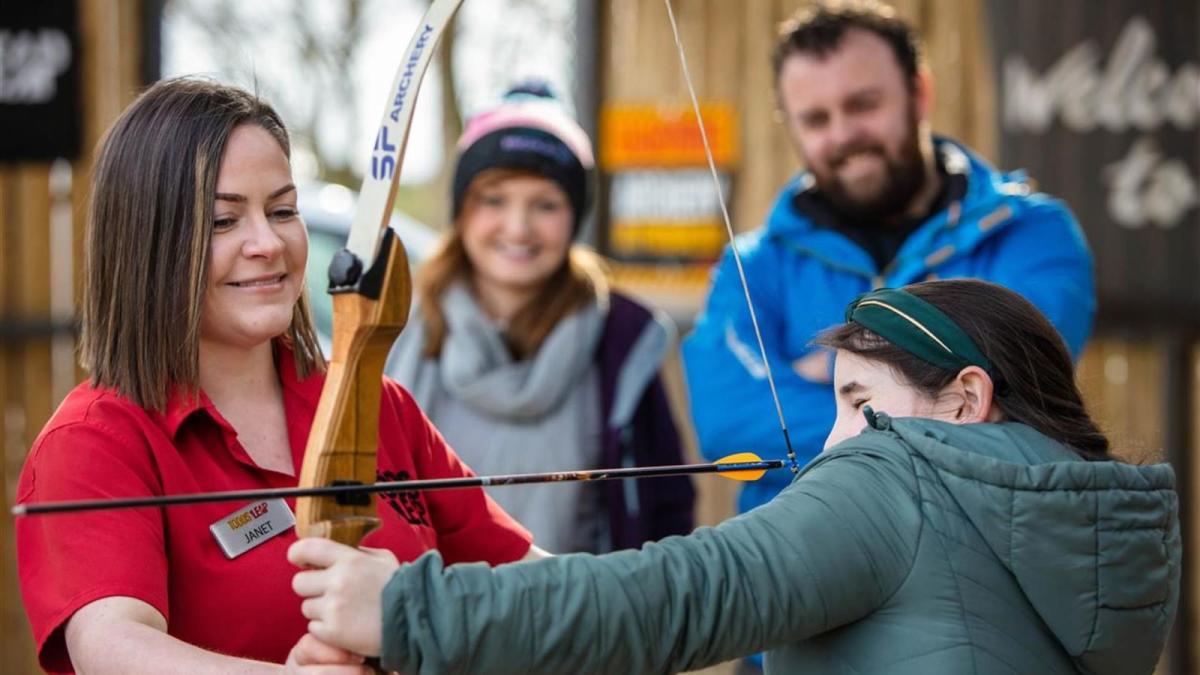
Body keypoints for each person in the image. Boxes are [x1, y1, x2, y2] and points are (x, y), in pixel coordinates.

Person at [289, 279, 1179, 675]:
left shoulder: (900, 478)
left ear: (965, 398)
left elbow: (681, 596)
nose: (838, 440)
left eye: (859, 398)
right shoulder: (1080, 526)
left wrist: (411, 611)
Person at [15, 77, 544, 674]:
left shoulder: (375, 404)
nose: (267, 242)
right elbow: (113, 650)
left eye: (283, 210)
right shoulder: (95, 441)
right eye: (222, 221)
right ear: (149, 242)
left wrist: (659, 594)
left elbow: (530, 581)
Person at [681, 0, 1097, 542]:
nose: (844, 134)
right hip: (803, 572)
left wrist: (830, 378)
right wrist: (920, 382)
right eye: (816, 119)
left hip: (981, 568)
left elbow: (1014, 395)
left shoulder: (1029, 233)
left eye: (864, 104)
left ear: (919, 93)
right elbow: (731, 422)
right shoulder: (752, 266)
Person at [385, 83, 694, 554]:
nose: (518, 227)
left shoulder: (622, 340)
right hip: (430, 616)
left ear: (575, 218)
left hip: (579, 616)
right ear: (462, 211)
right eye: (494, 199)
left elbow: (666, 509)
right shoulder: (395, 323)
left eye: (545, 204)